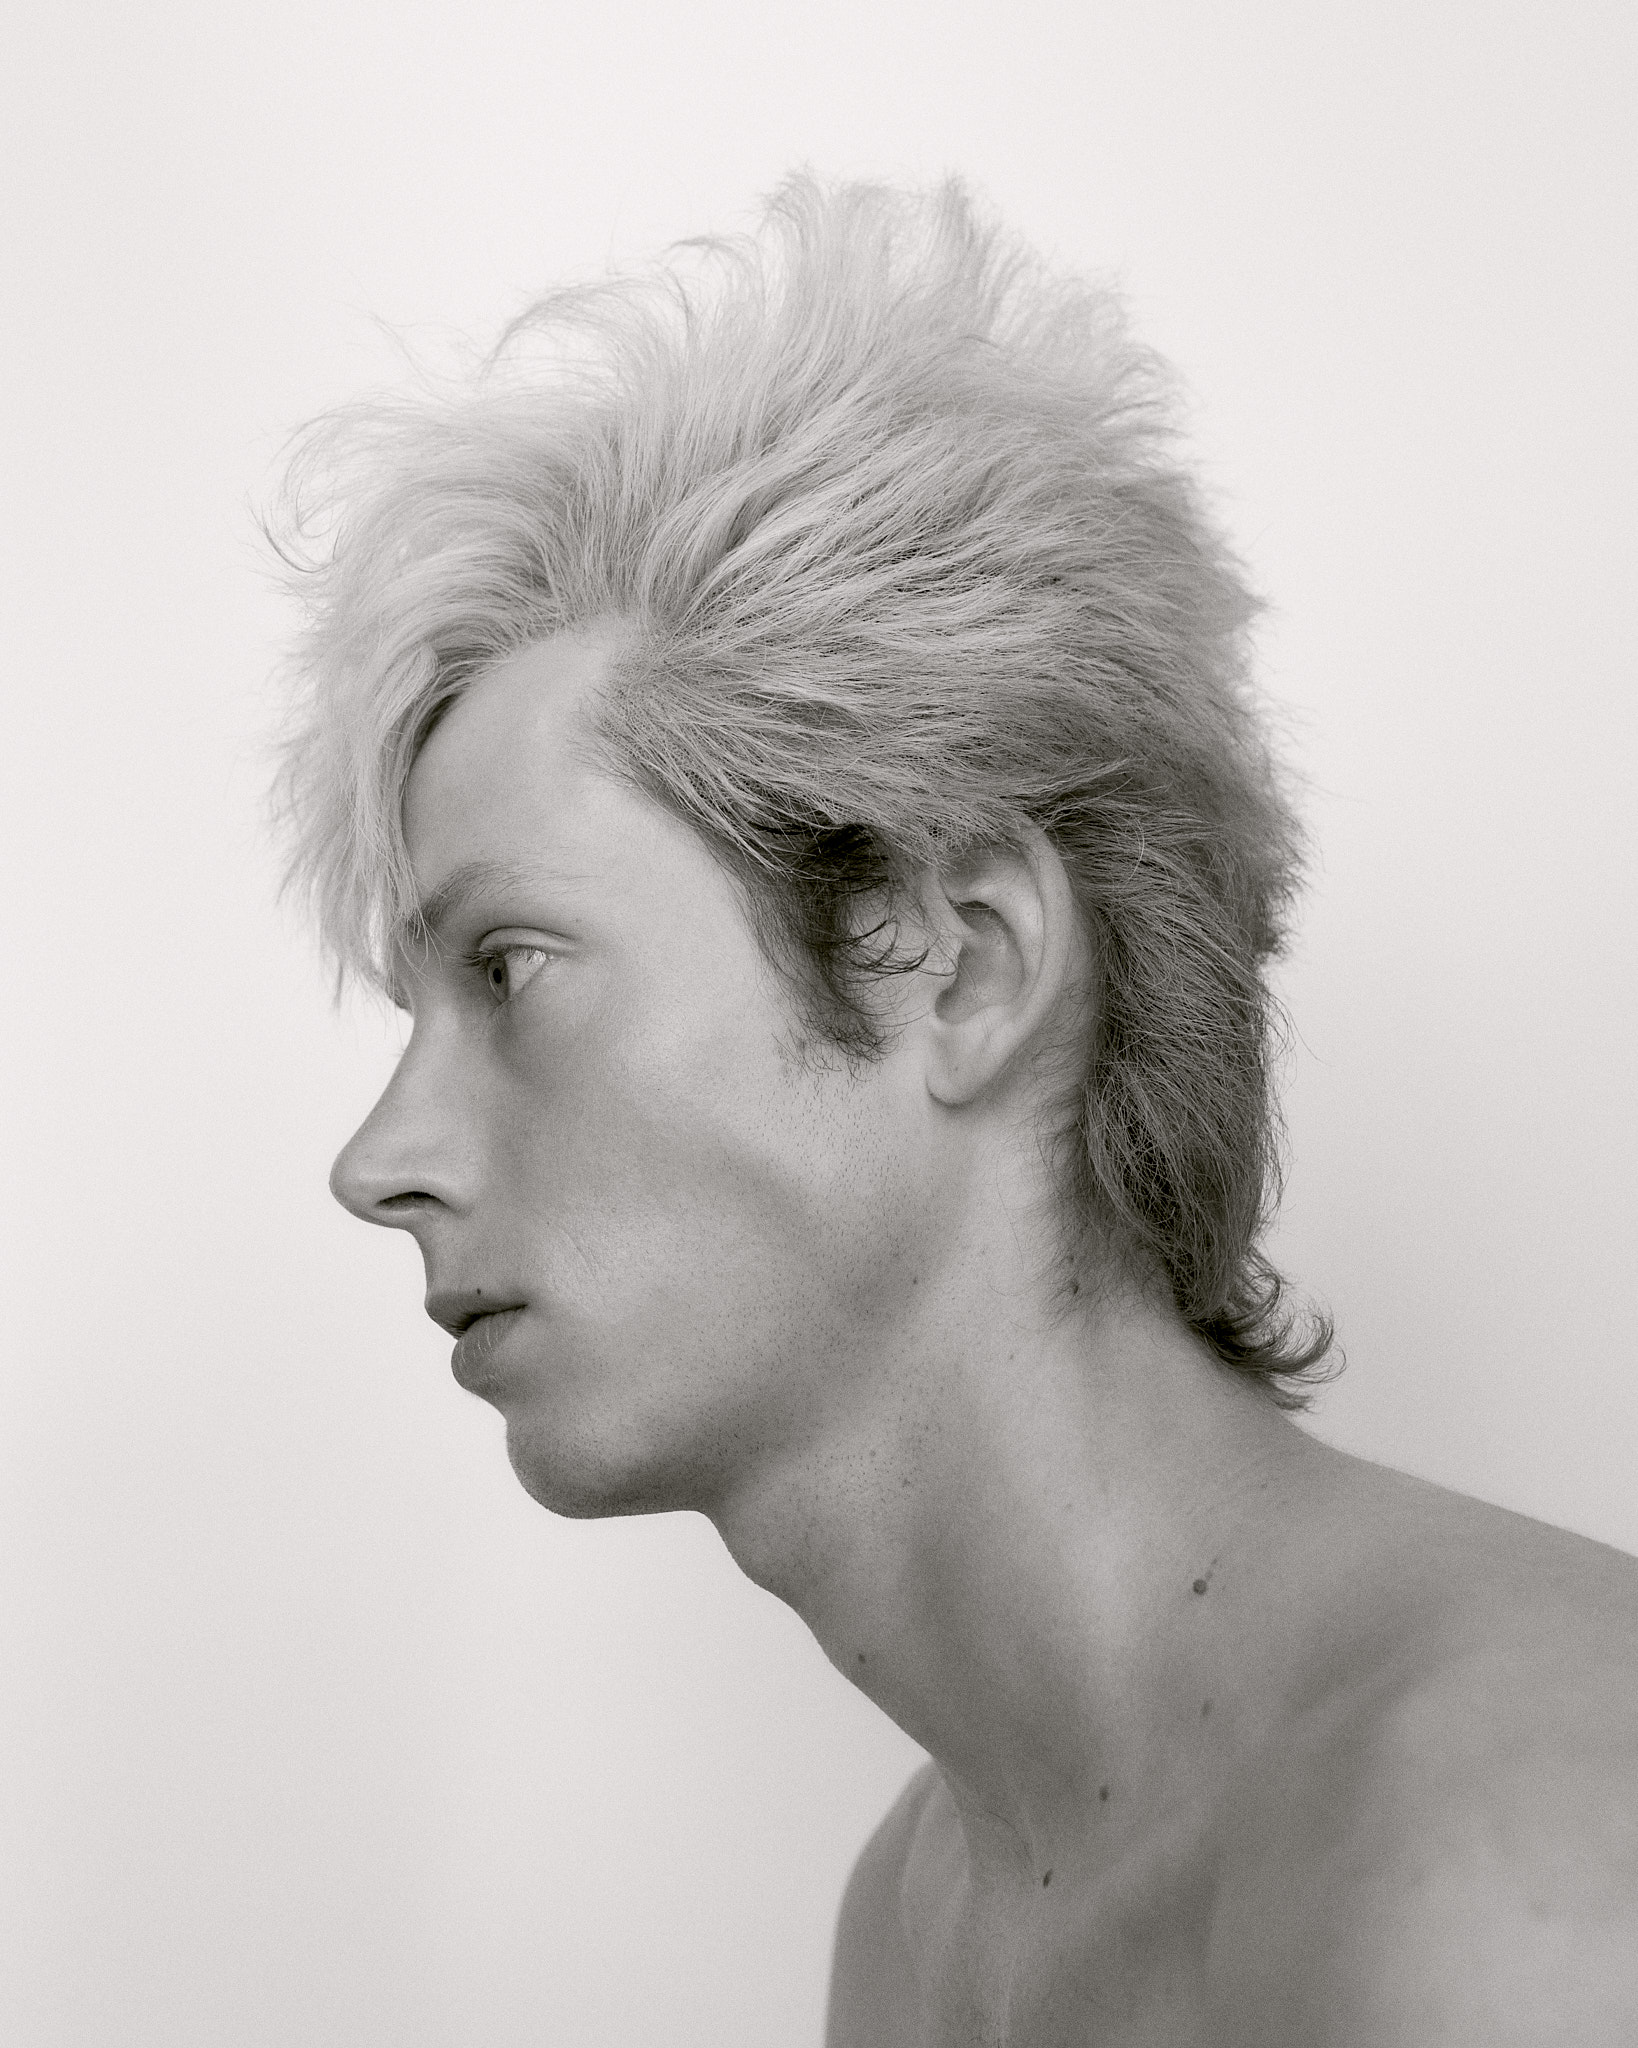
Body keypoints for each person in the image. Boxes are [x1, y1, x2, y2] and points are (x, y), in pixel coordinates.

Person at [272, 176, 1638, 2044]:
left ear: (961, 965)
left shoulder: (1511, 1837)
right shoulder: (917, 1934)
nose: (380, 1163)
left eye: (509, 971)